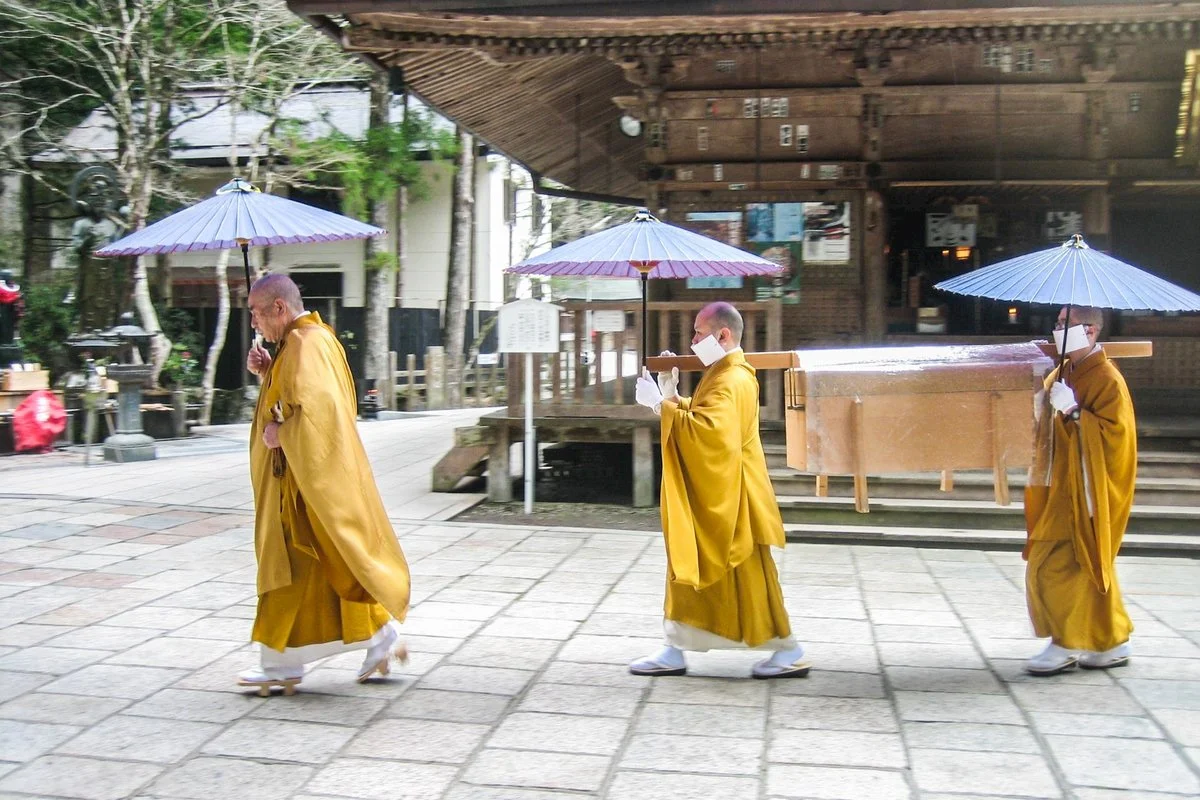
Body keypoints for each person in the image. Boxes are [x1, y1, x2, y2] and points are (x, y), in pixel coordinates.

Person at [239, 273, 410, 694]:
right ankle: (378, 636)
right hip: (297, 480)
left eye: (257, 314)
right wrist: (268, 371)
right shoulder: (306, 340)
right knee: (323, 564)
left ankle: (280, 662)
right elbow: (297, 396)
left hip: (299, 483)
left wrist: (283, 434)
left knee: (292, 564)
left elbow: (322, 411)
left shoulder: (304, 342)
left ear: (279, 308)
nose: (254, 324)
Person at [630, 301, 809, 679]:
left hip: (732, 496)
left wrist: (661, 406)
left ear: (722, 334)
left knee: (745, 575)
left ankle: (788, 649)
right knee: (693, 562)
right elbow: (702, 414)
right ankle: (675, 647)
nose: (693, 340)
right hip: (724, 489)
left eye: (698, 332)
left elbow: (712, 434)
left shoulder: (733, 378)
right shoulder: (728, 373)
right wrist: (672, 398)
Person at [1023, 305, 1136, 676]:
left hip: (1089, 486)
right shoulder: (1065, 369)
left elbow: (1114, 439)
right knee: (1091, 560)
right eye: (1056, 323)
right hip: (1063, 481)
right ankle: (1112, 640)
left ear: (1090, 330)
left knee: (1056, 562)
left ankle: (1066, 642)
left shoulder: (1105, 377)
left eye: (1065, 324)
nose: (1058, 330)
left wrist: (1073, 411)